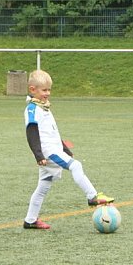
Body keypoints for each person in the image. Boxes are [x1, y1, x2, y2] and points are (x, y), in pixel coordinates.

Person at [23, 69, 114, 230]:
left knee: (43, 185)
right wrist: (38, 155)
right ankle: (92, 196)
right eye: (44, 90)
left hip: (53, 149)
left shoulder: (44, 107)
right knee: (76, 165)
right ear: (32, 90)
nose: (48, 93)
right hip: (48, 152)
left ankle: (30, 220)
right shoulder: (32, 109)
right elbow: (31, 132)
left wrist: (65, 149)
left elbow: (52, 131)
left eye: (49, 90)